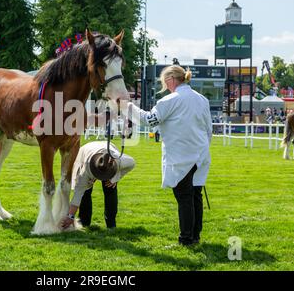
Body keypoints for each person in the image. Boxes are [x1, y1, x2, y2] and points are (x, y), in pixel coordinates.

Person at [126, 65, 212, 246]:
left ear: (171, 78)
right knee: (195, 195)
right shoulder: (202, 99)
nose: (164, 84)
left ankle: (186, 239)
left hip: (181, 156)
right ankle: (195, 236)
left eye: (164, 80)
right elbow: (208, 129)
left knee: (184, 198)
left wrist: (128, 107)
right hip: (201, 154)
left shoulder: (169, 101)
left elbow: (149, 120)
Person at [60, 141, 135, 230]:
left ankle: (111, 225)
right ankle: (84, 222)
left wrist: (115, 179)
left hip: (108, 149)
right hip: (85, 153)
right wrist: (70, 217)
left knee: (110, 188)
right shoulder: (84, 173)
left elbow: (132, 163)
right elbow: (78, 194)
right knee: (85, 193)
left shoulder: (118, 161)